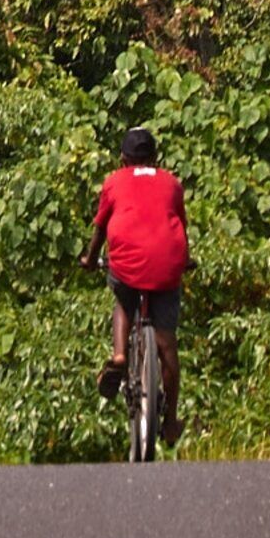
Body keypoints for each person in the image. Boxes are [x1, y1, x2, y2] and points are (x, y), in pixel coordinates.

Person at [82, 125, 189, 407]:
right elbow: (179, 226)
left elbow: (100, 228)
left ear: (122, 159)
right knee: (167, 343)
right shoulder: (172, 183)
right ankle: (170, 420)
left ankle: (119, 354)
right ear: (156, 158)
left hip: (127, 264)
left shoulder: (114, 182)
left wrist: (91, 259)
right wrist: (184, 261)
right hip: (168, 262)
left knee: (123, 299)